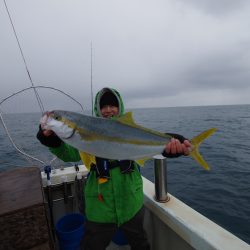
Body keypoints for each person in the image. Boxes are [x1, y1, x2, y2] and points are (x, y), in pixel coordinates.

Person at [37, 87, 191, 250]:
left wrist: (173, 145)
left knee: (140, 243)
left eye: (113, 105)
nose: (108, 110)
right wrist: (51, 140)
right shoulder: (84, 133)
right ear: (98, 109)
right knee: (91, 245)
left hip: (131, 203)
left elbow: (150, 144)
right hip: (99, 207)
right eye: (104, 106)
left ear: (120, 107)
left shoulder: (133, 131)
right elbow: (68, 153)